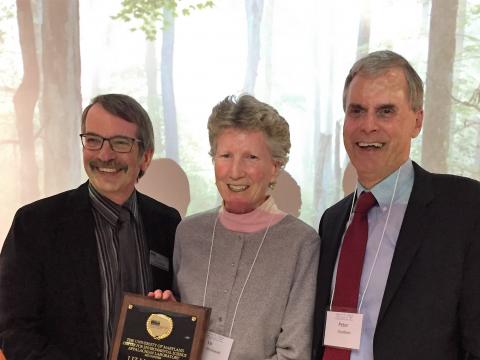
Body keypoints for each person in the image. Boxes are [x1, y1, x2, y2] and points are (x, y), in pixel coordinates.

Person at [312, 50, 480, 360]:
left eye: (386, 111)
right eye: (357, 110)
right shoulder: (332, 222)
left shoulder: (465, 209)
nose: (368, 125)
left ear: (417, 121)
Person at [0, 94, 181, 360]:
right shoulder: (35, 224)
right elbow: (12, 327)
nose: (104, 155)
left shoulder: (168, 223)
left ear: (146, 156)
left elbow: (179, 318)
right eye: (94, 140)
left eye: (120, 143)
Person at [155, 95, 320, 359]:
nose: (234, 171)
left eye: (251, 157)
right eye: (225, 155)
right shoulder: (188, 232)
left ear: (275, 167)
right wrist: (173, 315)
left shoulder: (301, 243)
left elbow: (294, 353)